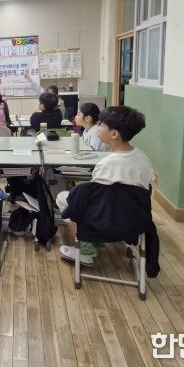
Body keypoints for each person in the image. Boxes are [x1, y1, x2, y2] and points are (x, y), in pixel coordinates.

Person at [56, 106, 154, 266]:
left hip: (104, 219)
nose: (98, 127)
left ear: (114, 134)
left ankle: (85, 249)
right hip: (134, 219)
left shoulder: (107, 164)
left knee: (63, 198)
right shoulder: (143, 158)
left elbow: (95, 197)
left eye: (101, 124)